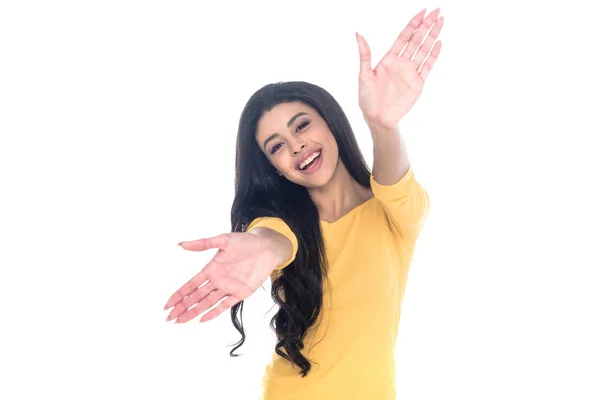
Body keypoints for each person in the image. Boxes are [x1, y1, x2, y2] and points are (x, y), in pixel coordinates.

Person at [164, 7, 443, 399]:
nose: (297, 145)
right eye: (277, 146)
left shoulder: (393, 214)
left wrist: (382, 124)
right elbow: (274, 239)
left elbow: (395, 181)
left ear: (329, 122)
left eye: (302, 125)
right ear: (274, 167)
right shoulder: (281, 224)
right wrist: (262, 247)